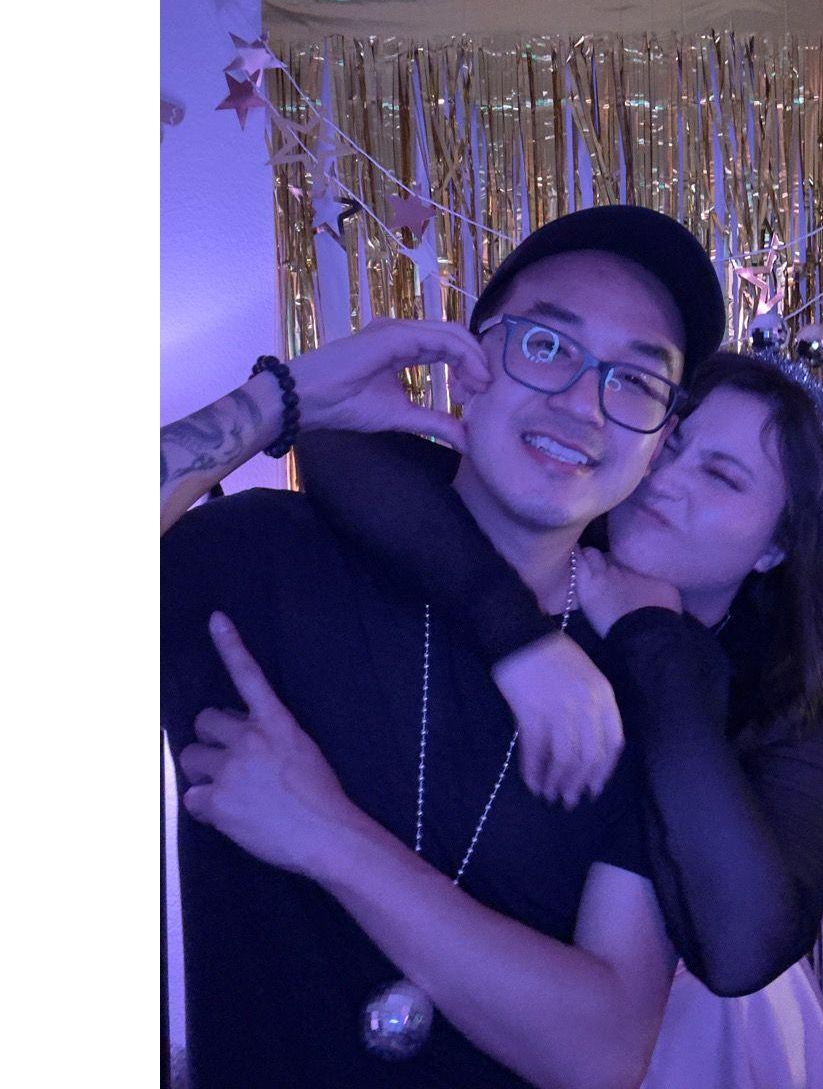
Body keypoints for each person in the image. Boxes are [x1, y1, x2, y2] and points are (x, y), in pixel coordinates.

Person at [182, 339, 823, 1085]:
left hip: (692, 1040)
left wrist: (653, 640)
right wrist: (519, 638)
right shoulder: (550, 539)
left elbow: (742, 948)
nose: (666, 480)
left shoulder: (791, 688)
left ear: (777, 546)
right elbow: (344, 457)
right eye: (673, 444)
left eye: (721, 475)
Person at [161, 205, 725, 1089]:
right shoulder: (267, 557)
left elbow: (604, 1052)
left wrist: (327, 835)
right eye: (547, 345)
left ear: (657, 445)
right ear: (469, 367)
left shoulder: (646, 672)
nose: (583, 404)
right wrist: (284, 398)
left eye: (637, 381)